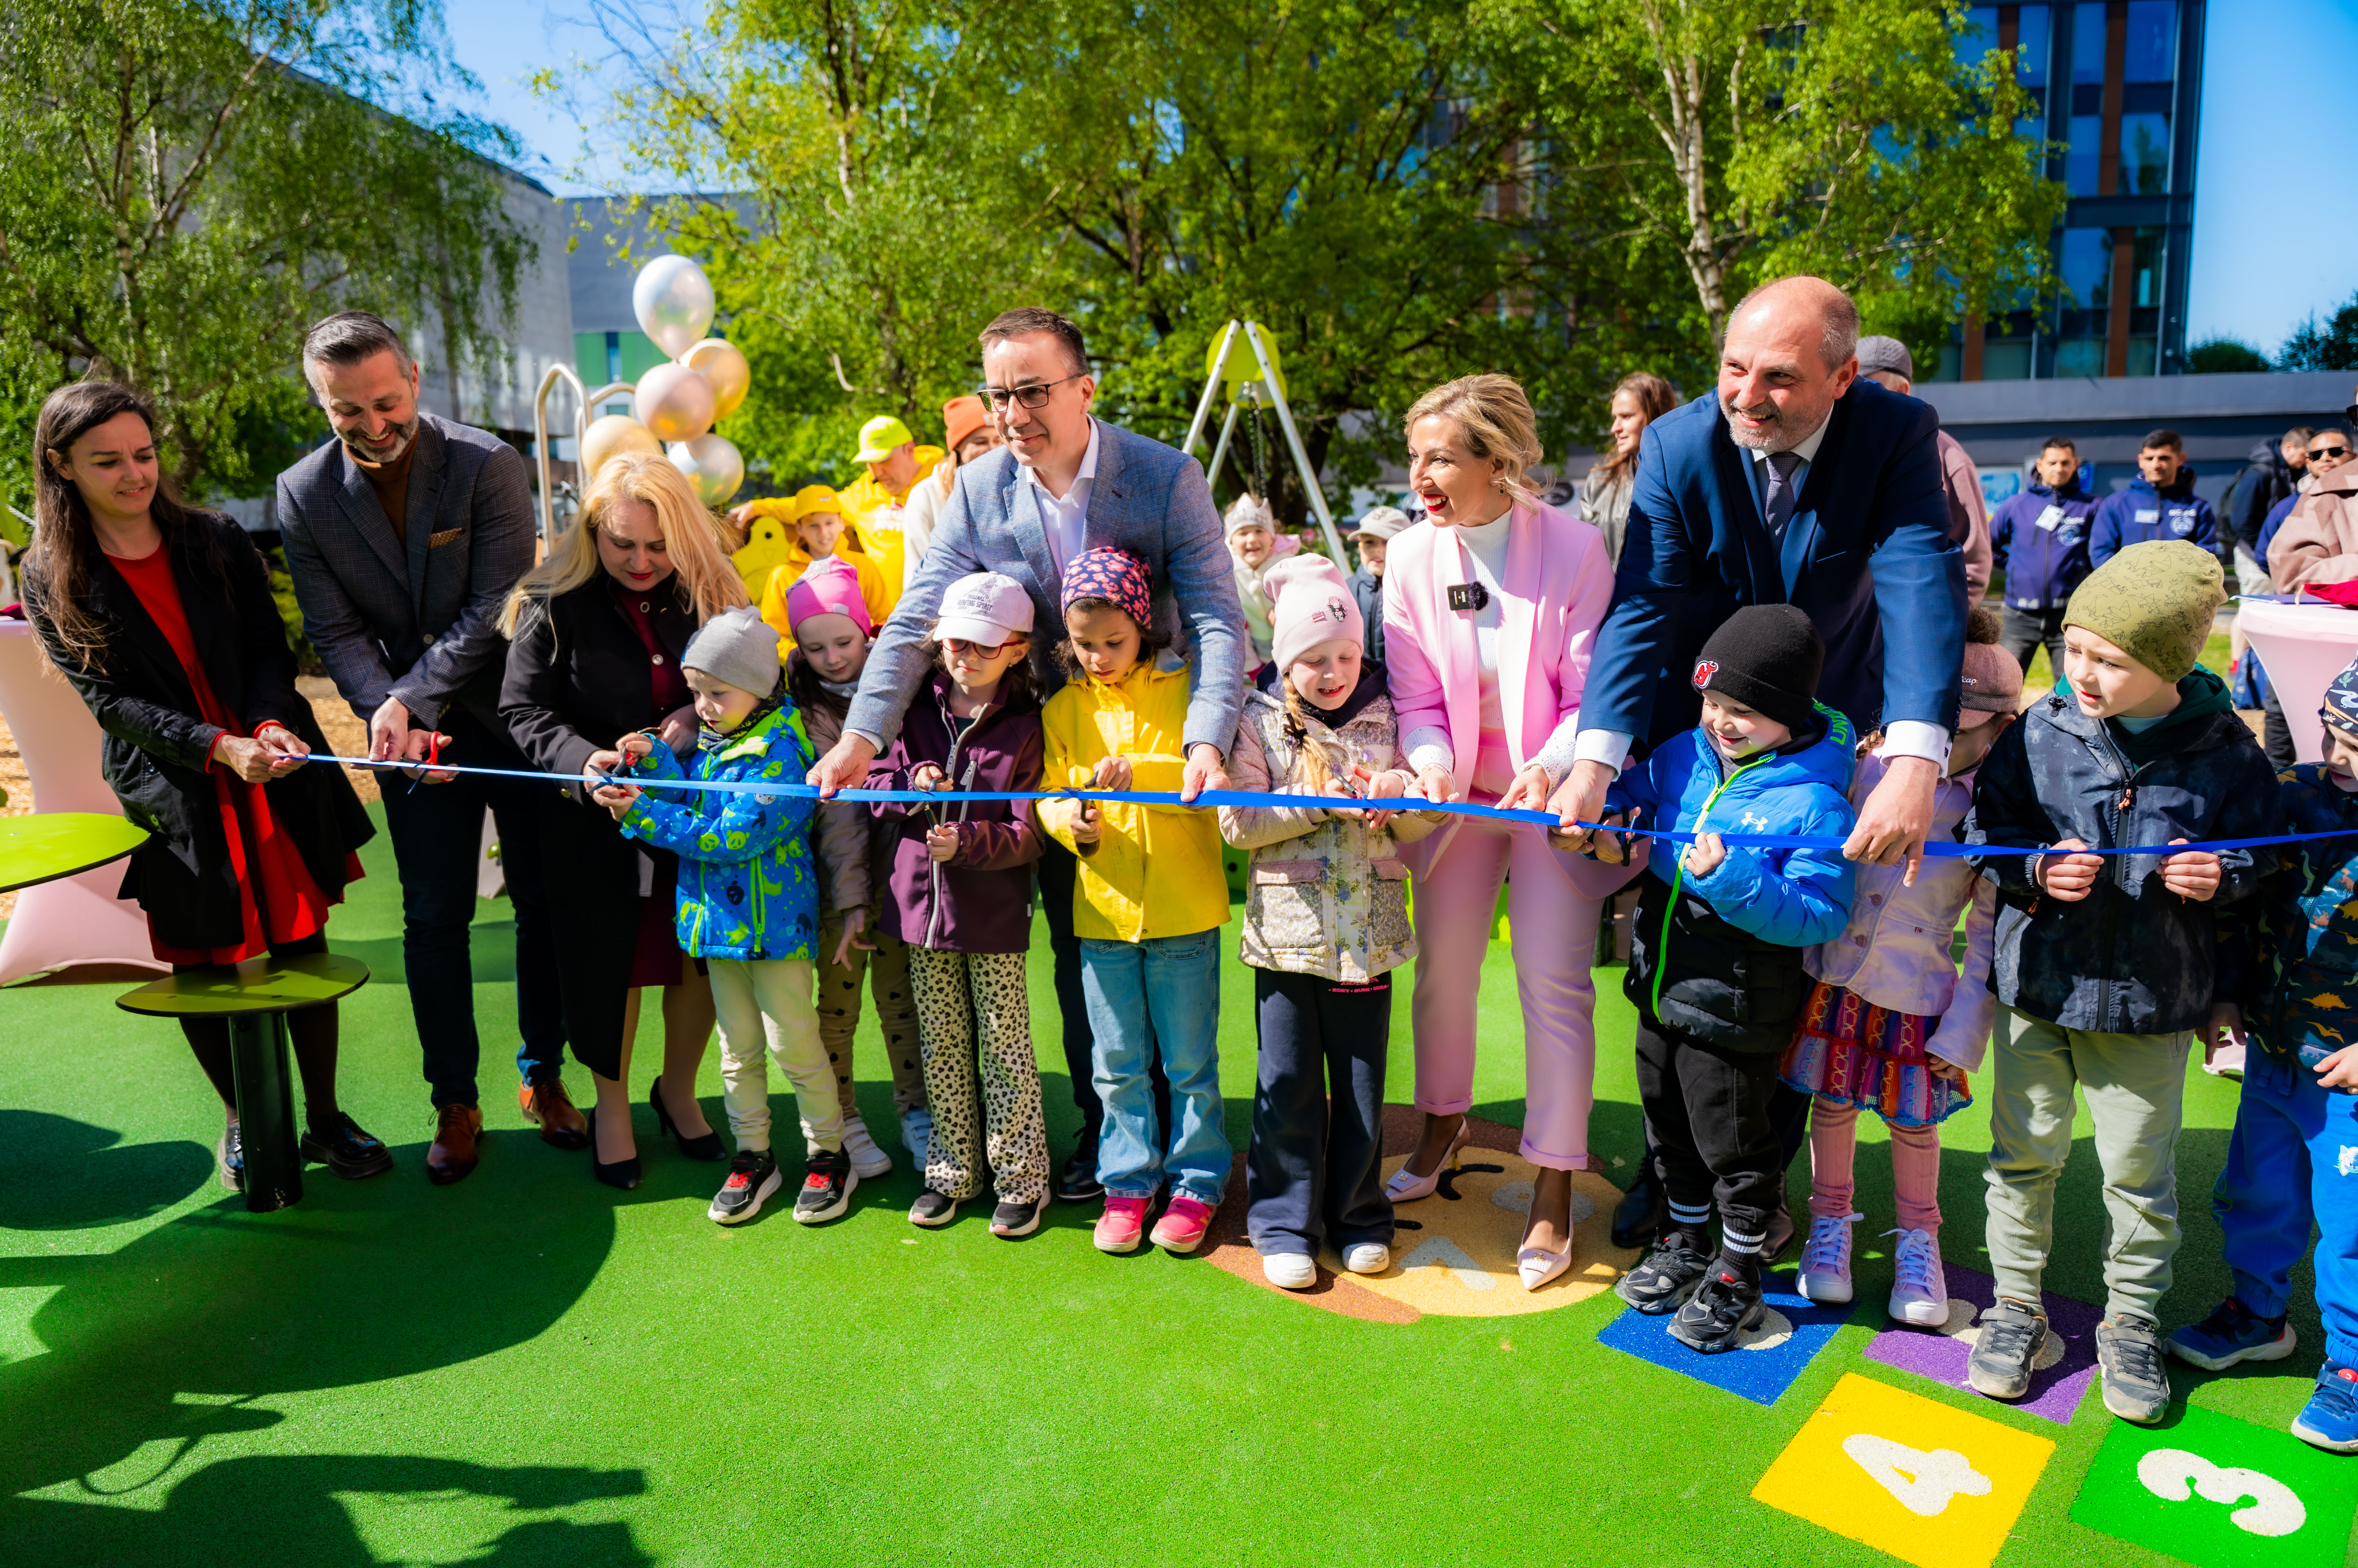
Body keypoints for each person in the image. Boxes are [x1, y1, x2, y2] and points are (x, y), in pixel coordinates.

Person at [808, 306, 1248, 1202]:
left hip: (1139, 750)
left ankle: (1181, 1150)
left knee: (1159, 948)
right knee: (1079, 960)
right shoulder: (976, 490)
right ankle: (1109, 1141)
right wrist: (862, 736)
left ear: (1085, 388)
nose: (1014, 414)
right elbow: (914, 618)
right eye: (1000, 395)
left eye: (1033, 391)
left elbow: (1215, 618)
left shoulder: (1165, 477)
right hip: (1023, 760)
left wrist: (1207, 738)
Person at [23, 381, 384, 1190]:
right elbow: (110, 704)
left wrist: (262, 725)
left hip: (270, 761)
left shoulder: (216, 538)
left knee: (300, 945)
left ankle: (324, 1118)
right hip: (175, 778)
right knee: (201, 961)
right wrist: (216, 746)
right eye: (107, 461)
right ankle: (243, 1117)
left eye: (144, 454)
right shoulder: (50, 573)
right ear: (62, 466)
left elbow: (268, 648)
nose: (135, 475)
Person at [1962, 540, 2279, 1426]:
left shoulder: (2227, 753)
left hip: (2150, 1005)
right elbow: (1993, 825)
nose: (2082, 671)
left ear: (2173, 663)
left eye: (2112, 659)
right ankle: (2014, 1310)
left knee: (2137, 1174)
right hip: (2038, 988)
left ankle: (2130, 1322)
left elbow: (2272, 858)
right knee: (2021, 1157)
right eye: (2075, 647)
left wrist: (2228, 873)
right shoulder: (2040, 728)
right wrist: (2029, 868)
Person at [277, 311, 576, 1183]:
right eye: (346, 412)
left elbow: (495, 606)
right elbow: (333, 633)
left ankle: (542, 1077)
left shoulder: (490, 464)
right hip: (404, 743)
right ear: (321, 403)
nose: (373, 425)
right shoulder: (301, 493)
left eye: (384, 401)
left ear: (412, 376)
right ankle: (455, 1098)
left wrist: (410, 696)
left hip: (513, 719)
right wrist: (389, 715)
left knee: (539, 905)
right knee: (433, 919)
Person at [1551, 275, 1965, 889]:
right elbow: (1644, 607)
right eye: (1733, 368)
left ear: (1843, 378)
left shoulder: (1895, 434)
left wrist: (1913, 765)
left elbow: (1919, 583)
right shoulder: (1674, 444)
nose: (1745, 397)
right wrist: (1593, 765)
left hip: (1830, 721)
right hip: (1702, 727)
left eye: (1779, 377)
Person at [1382, 372, 1630, 1269]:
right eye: (1416, 458)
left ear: (1499, 459)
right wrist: (1437, 769)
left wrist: (1552, 764)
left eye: (1440, 458)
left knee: (1551, 982)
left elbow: (1589, 689)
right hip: (1454, 802)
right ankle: (1440, 1123)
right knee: (1442, 972)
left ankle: (1554, 1182)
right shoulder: (1409, 557)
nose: (1423, 477)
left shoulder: (1573, 548)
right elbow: (1414, 698)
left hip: (1549, 798)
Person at [1596, 605, 1859, 1353]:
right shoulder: (1683, 751)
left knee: (1735, 1147)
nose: (1721, 722)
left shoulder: (1815, 801)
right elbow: (1635, 790)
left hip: (1738, 1004)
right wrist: (1613, 811)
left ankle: (1740, 1267)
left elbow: (1817, 915)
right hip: (1658, 986)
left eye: (1744, 711)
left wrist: (1733, 876)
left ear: (1789, 713)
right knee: (1666, 1126)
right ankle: (1684, 1241)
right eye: (1712, 703)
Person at [499, 453, 744, 1186]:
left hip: (697, 813)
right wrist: (582, 761)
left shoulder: (713, 591)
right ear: (592, 532)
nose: (642, 560)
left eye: (659, 544)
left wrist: (695, 715)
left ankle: (676, 1088)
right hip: (591, 823)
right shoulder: (551, 598)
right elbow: (522, 709)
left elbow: (758, 684)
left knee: (695, 957)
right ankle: (612, 1104)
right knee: (614, 967)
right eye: (622, 543)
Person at [1786, 610, 2018, 1321]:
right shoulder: (1872, 766)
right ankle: (1830, 1223)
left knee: (1914, 1120)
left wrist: (1961, 1037)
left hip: (1916, 993)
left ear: (2002, 728)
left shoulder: (1993, 810)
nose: (1947, 740)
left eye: (1967, 725)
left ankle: (1920, 1240)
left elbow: (1984, 936)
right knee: (1829, 1102)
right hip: (1834, 977)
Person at [1220, 555, 1439, 1290]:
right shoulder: (1259, 720)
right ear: (1286, 661)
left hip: (1366, 943)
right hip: (1287, 942)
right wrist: (1314, 802)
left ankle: (1358, 1218)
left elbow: (1414, 826)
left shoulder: (1388, 714)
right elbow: (1236, 821)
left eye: (1346, 654)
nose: (1333, 670)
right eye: (1314, 659)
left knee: (1361, 1087)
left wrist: (1399, 797)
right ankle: (1283, 1222)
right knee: (1285, 1085)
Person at [597, 607, 838, 1221]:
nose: (701, 706)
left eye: (715, 692)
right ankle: (753, 1154)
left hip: (776, 934)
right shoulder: (718, 741)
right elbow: (688, 793)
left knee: (795, 1045)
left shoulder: (779, 754)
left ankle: (826, 1154)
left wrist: (640, 816)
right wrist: (651, 757)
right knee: (737, 1051)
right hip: (722, 933)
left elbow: (729, 839)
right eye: (695, 692)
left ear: (757, 687)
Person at [2174, 659, 2358, 1453]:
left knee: (2349, 1226)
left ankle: (2351, 1367)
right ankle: (2258, 1314)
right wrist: (2223, 1000)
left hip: (2347, 1076)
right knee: (2255, 1191)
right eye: (2333, 732)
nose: (2341, 755)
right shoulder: (2295, 797)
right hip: (2274, 1051)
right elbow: (2247, 912)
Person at [1035, 548, 1232, 1257]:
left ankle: (1198, 1182)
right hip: (1104, 909)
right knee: (1115, 1063)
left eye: (1113, 642)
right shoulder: (1062, 707)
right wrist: (1071, 824)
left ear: (1144, 627)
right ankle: (1126, 1184)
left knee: (1188, 1064)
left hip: (1184, 907)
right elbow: (1051, 795)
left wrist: (1138, 772)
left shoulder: (1189, 692)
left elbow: (1207, 776)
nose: (1099, 656)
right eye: (1084, 645)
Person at [869, 572, 1049, 1237]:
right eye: (953, 642)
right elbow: (875, 786)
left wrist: (967, 842)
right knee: (941, 1043)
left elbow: (1030, 834)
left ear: (1017, 649)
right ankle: (951, 1173)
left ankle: (1022, 1181)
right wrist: (912, 781)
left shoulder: (1028, 728)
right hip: (919, 916)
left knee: (1004, 1044)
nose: (963, 655)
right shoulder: (913, 711)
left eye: (981, 645)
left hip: (993, 919)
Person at [783, 557, 926, 1173]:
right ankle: (843, 1118)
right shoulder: (803, 707)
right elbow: (838, 822)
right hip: (839, 893)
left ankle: (917, 1113)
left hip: (898, 884)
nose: (833, 657)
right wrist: (848, 905)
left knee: (903, 1007)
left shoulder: (902, 691)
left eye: (843, 641)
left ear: (868, 633)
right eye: (815, 647)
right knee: (836, 1014)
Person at [1852, 337, 1992, 604]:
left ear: (1902, 390)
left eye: (1868, 385)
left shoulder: (1948, 456)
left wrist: (1944, 627)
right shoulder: (1833, 446)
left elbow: (1973, 563)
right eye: (1850, 385)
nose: (1856, 397)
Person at [1988, 436, 2099, 681]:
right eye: (2052, 463)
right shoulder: (2016, 505)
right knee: (2003, 686)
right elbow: (1989, 546)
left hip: (2068, 617)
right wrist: (2016, 565)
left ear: (2075, 464)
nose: (2058, 469)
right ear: (2039, 465)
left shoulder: (2091, 507)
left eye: (2064, 463)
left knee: (2072, 688)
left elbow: (2101, 551)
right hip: (2019, 616)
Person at [835, 415, 946, 603]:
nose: (877, 472)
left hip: (941, 611)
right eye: (871, 463)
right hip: (884, 622)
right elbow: (811, 507)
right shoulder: (863, 492)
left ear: (909, 449)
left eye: (884, 460)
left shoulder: (945, 481)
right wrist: (765, 507)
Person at [753, 485, 893, 631]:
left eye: (829, 523)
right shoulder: (782, 576)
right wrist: (805, 653)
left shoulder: (863, 566)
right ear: (799, 529)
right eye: (814, 525)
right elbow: (774, 634)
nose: (823, 532)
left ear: (841, 523)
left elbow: (884, 620)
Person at [1578, 372, 1680, 568]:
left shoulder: (1684, 479)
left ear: (1656, 416)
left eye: (1626, 417)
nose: (1615, 428)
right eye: (1615, 418)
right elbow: (1580, 557)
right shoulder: (1599, 483)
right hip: (1607, 597)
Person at [2090, 429, 2219, 568]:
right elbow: (2101, 553)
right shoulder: (2116, 504)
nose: (2156, 465)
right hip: (2128, 587)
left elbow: (2205, 558)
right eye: (2150, 458)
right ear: (2140, 461)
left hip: (2177, 588)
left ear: (2180, 459)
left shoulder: (2198, 508)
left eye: (2164, 458)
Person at [899, 396, 1002, 566]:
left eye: (998, 440)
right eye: (981, 442)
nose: (992, 449)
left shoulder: (1015, 487)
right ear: (957, 447)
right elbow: (918, 568)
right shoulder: (926, 496)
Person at [2223, 427, 2311, 601]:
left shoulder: (2286, 474)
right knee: (2254, 609)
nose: (2307, 461)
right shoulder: (2259, 474)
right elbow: (2242, 521)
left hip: (2271, 554)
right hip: (2254, 555)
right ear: (2289, 448)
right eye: (2305, 455)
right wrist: (2263, 550)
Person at [2266, 426, 2358, 590]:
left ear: (2354, 457)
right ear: (2308, 464)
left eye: (2336, 451)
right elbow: (2273, 559)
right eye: (2317, 455)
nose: (2326, 458)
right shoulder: (2291, 505)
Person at [1346, 505, 1410, 668]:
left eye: (1387, 541)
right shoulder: (1345, 591)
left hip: (1408, 688)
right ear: (1360, 548)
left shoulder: (1417, 591)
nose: (1377, 548)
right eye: (1369, 542)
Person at [1227, 493, 1282, 666]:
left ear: (1272, 540)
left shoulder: (1287, 568)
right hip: (1247, 663)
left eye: (1259, 531)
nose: (1252, 539)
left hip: (1289, 653)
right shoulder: (1226, 575)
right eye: (1243, 533)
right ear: (1231, 543)